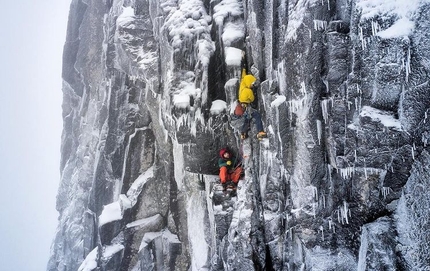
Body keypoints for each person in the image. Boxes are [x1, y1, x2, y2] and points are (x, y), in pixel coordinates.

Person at [236, 67, 267, 140]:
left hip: (244, 105)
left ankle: (243, 132)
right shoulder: (248, 90)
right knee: (257, 116)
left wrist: (244, 69)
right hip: (248, 106)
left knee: (247, 119)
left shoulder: (242, 86)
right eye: (252, 83)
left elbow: (243, 77)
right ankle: (260, 131)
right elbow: (252, 98)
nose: (252, 85)